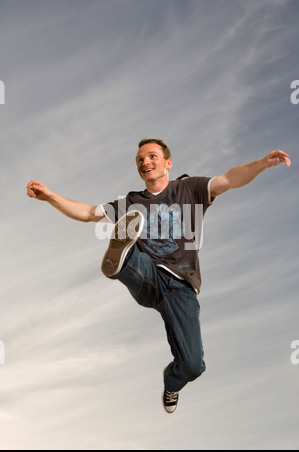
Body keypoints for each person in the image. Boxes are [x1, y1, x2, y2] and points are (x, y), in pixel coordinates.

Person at [26, 139, 291, 413]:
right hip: (150, 277)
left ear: (168, 162)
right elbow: (88, 213)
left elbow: (228, 179)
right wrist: (51, 197)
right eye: (140, 160)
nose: (145, 163)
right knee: (136, 260)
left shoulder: (189, 189)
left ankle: (172, 383)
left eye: (152, 156)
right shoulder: (131, 202)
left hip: (182, 285)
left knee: (193, 365)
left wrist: (261, 163)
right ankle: (123, 260)